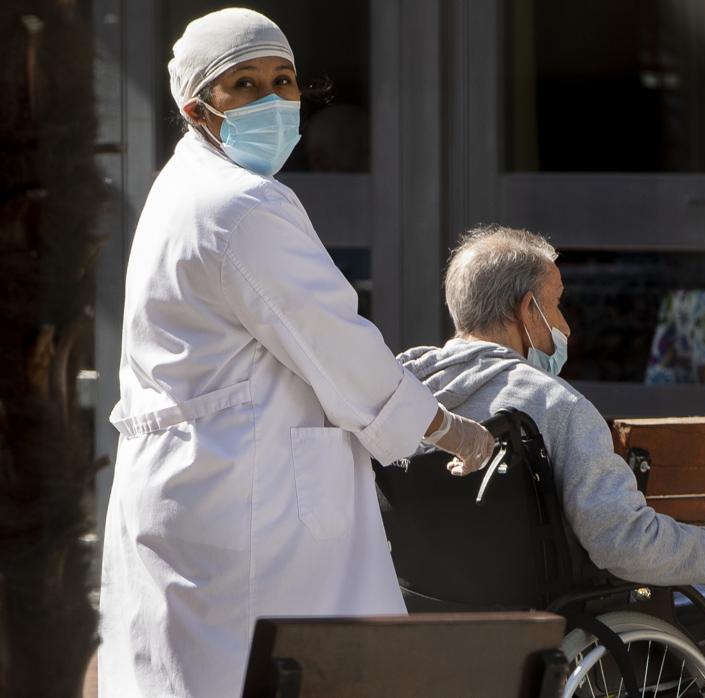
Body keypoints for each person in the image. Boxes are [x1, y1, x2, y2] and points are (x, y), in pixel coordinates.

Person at [97, 9, 494, 696]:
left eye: (283, 80)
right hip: (250, 507)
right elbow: (338, 346)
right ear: (199, 108)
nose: (273, 100)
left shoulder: (181, 192)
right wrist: (445, 427)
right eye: (243, 86)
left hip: (194, 491)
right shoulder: (241, 206)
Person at [398, 224, 705, 658]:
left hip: (427, 632)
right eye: (557, 305)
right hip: (553, 633)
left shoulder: (399, 399)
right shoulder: (554, 405)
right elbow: (624, 542)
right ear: (527, 310)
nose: (565, 325)